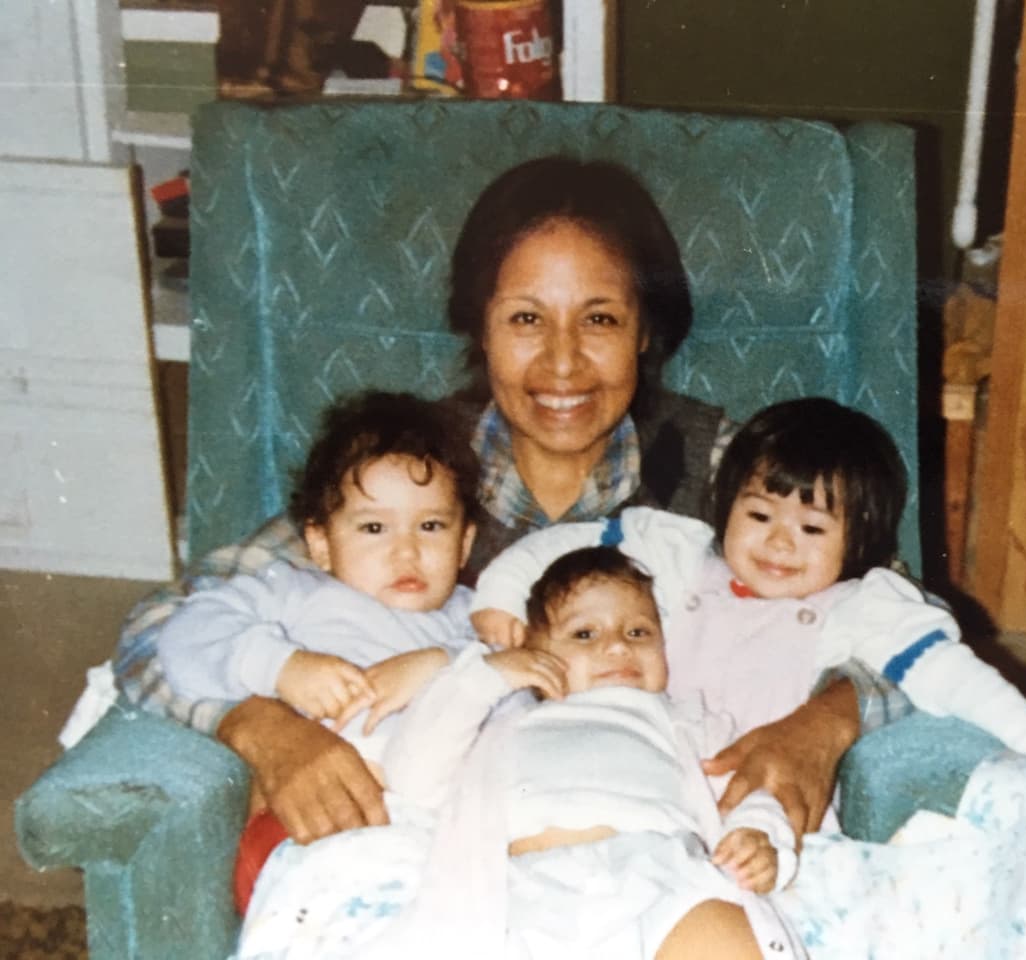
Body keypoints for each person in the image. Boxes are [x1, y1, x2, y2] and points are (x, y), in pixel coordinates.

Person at [113, 155, 891, 848]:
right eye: (525, 319)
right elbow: (158, 629)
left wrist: (823, 724)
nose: (562, 362)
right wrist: (261, 727)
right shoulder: (412, 475)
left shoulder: (724, 469)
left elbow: (893, 614)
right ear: (478, 328)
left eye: (599, 319)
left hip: (652, 836)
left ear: (646, 330)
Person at [472, 397, 1026, 827]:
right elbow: (571, 542)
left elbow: (960, 679)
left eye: (812, 528)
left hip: (760, 809)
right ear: (727, 504)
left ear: (859, 538)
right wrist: (501, 594)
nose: (778, 543)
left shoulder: (861, 609)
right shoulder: (681, 555)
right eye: (760, 515)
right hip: (638, 773)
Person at [361, 546, 805, 960]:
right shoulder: (503, 721)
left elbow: (747, 784)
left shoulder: (687, 720)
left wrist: (761, 835)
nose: (617, 646)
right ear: (531, 656)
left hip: (662, 872)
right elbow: (412, 776)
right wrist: (485, 678)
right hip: (524, 889)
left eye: (638, 631)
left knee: (727, 941)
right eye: (584, 633)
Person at [153, 389, 480, 908]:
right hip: (314, 821)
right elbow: (183, 637)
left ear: (464, 544)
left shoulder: (473, 621)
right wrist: (280, 665)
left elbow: (521, 685)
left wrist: (441, 663)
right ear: (322, 543)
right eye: (374, 527)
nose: (406, 550)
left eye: (432, 526)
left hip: (442, 836)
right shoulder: (294, 593)